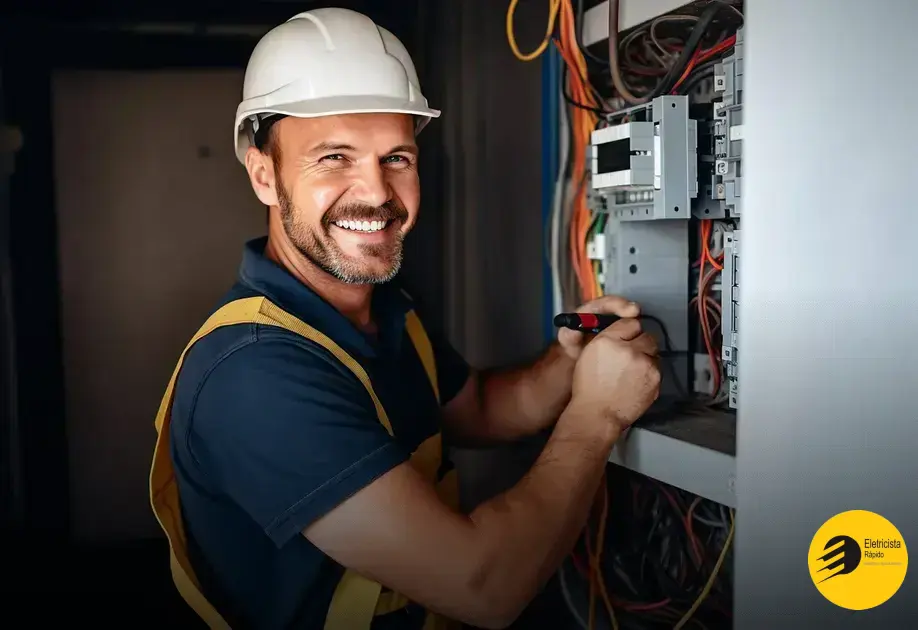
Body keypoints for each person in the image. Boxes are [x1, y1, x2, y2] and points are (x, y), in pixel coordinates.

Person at [149, 7, 661, 630]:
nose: (377, 193)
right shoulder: (254, 372)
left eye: (396, 157)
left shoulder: (385, 308)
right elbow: (483, 585)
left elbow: (480, 411)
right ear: (264, 175)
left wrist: (569, 362)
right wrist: (598, 415)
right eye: (334, 157)